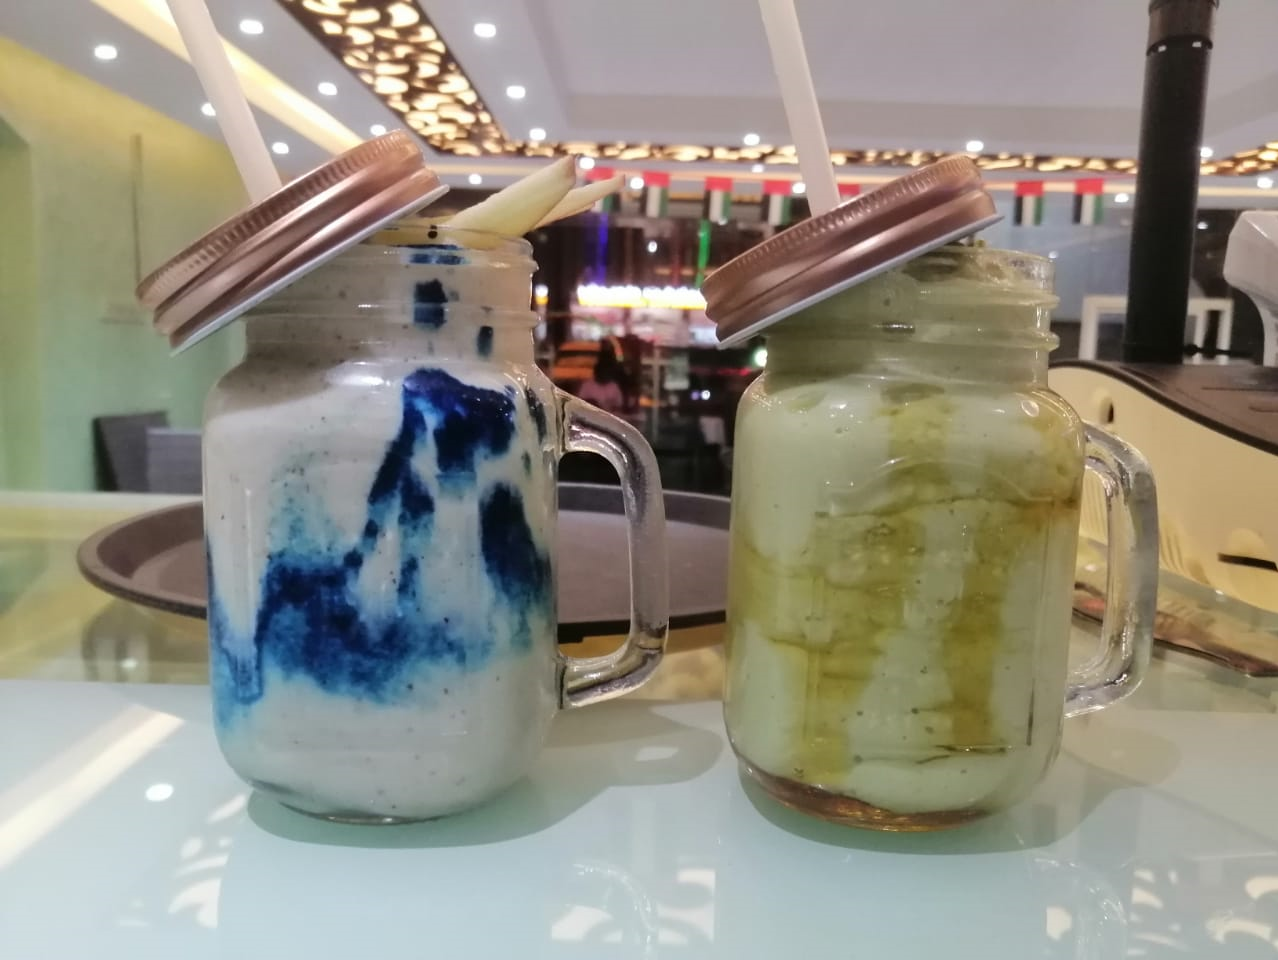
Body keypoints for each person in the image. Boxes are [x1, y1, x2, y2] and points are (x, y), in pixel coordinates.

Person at [577, 340, 626, 413]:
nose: (604, 375)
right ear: (596, 372)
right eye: (602, 372)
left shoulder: (614, 387)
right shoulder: (587, 386)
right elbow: (580, 405)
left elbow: (618, 407)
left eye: (606, 373)